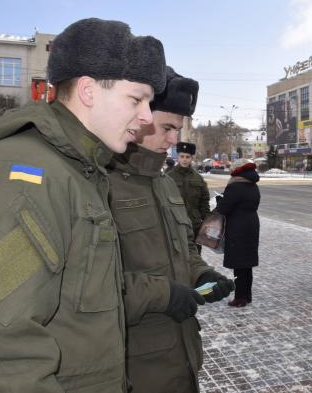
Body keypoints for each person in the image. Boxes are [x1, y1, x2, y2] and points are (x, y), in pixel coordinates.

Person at [0, 18, 166, 392]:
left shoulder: (77, 172)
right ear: (88, 91)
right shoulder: (27, 178)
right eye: (136, 99)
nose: (147, 117)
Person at [107, 66, 233, 393]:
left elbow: (181, 249)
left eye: (178, 129)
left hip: (182, 359)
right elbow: (88, 287)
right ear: (138, 116)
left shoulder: (163, 183)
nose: (175, 140)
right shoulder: (101, 183)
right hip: (135, 369)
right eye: (167, 128)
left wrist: (201, 273)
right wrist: (163, 294)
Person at [216, 158, 261, 307]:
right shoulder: (253, 185)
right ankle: (247, 295)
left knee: (239, 263)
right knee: (247, 263)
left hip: (238, 227)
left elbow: (224, 208)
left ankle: (240, 297)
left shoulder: (235, 186)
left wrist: (219, 200)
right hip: (252, 225)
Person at [167, 141, 210, 255]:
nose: (184, 160)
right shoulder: (168, 177)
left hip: (194, 225)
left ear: (192, 158)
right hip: (175, 224)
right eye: (182, 156)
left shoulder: (198, 178)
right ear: (178, 157)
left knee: (195, 255)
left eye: (187, 157)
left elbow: (204, 202)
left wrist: (207, 222)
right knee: (177, 256)